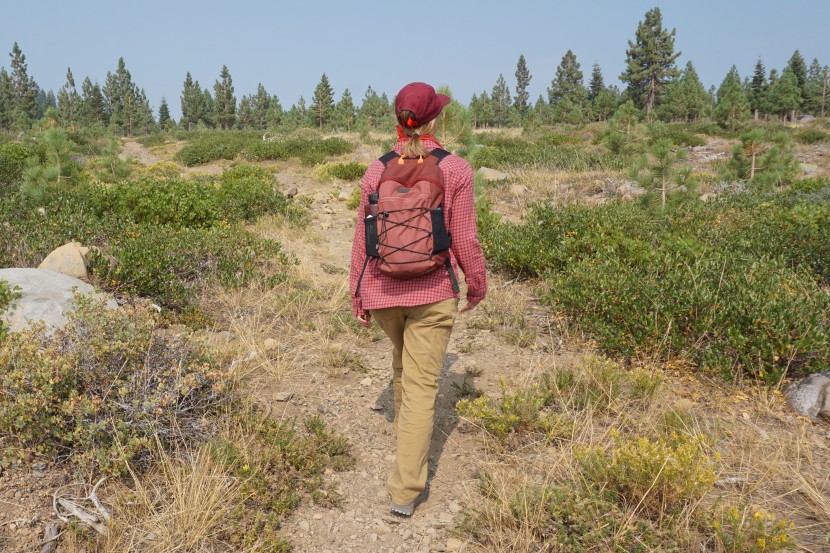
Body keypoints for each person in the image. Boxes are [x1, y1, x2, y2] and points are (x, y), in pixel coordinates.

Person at [349, 82, 487, 517]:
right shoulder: (456, 169)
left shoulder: (376, 170)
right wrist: (476, 282)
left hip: (384, 291)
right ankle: (406, 491)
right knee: (425, 384)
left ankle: (405, 438)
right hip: (432, 292)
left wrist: (358, 292)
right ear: (436, 119)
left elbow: (361, 239)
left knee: (403, 365)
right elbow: (464, 236)